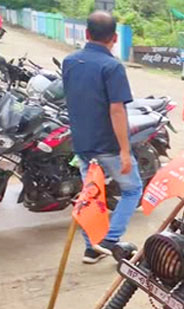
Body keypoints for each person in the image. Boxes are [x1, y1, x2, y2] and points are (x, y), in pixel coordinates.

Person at [62, 11, 142, 264]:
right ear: (115, 38)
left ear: (86, 34)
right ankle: (109, 240)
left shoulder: (70, 61)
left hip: (83, 144)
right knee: (133, 190)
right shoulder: (112, 66)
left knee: (91, 196)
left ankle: (91, 248)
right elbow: (117, 110)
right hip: (108, 145)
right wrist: (125, 151)